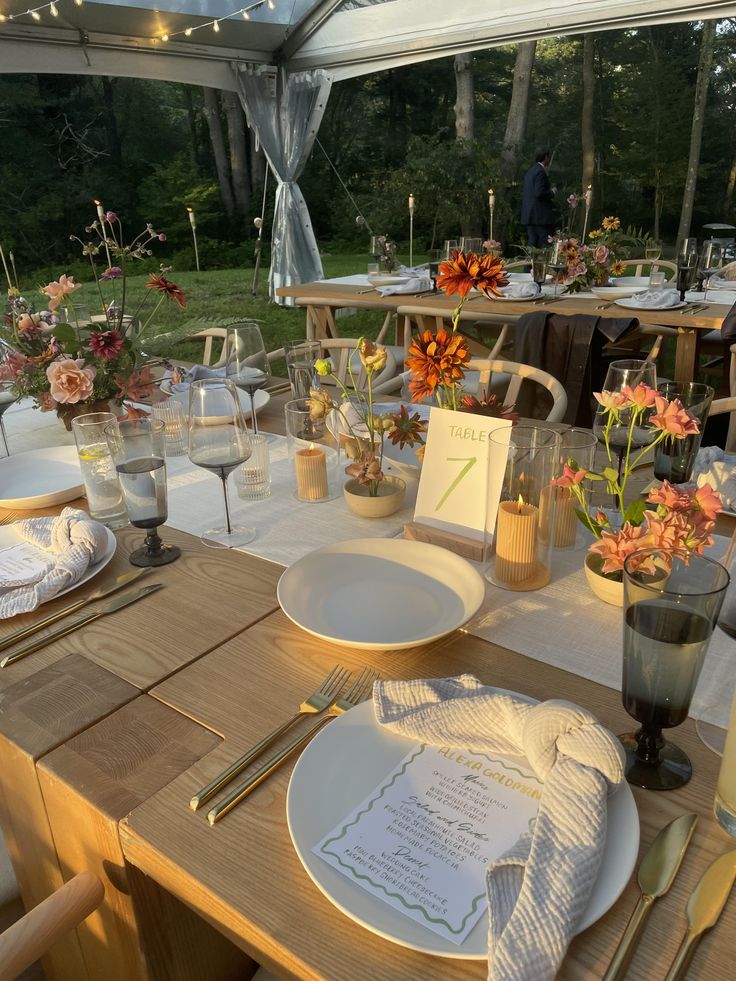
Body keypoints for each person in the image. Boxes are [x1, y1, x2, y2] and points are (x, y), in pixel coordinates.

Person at [521, 149, 557, 249]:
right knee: (545, 242)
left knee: (532, 242)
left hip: (530, 214)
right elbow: (539, 193)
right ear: (545, 157)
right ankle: (545, 264)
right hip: (540, 215)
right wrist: (552, 192)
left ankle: (528, 265)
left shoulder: (530, 171)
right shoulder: (540, 172)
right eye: (548, 157)